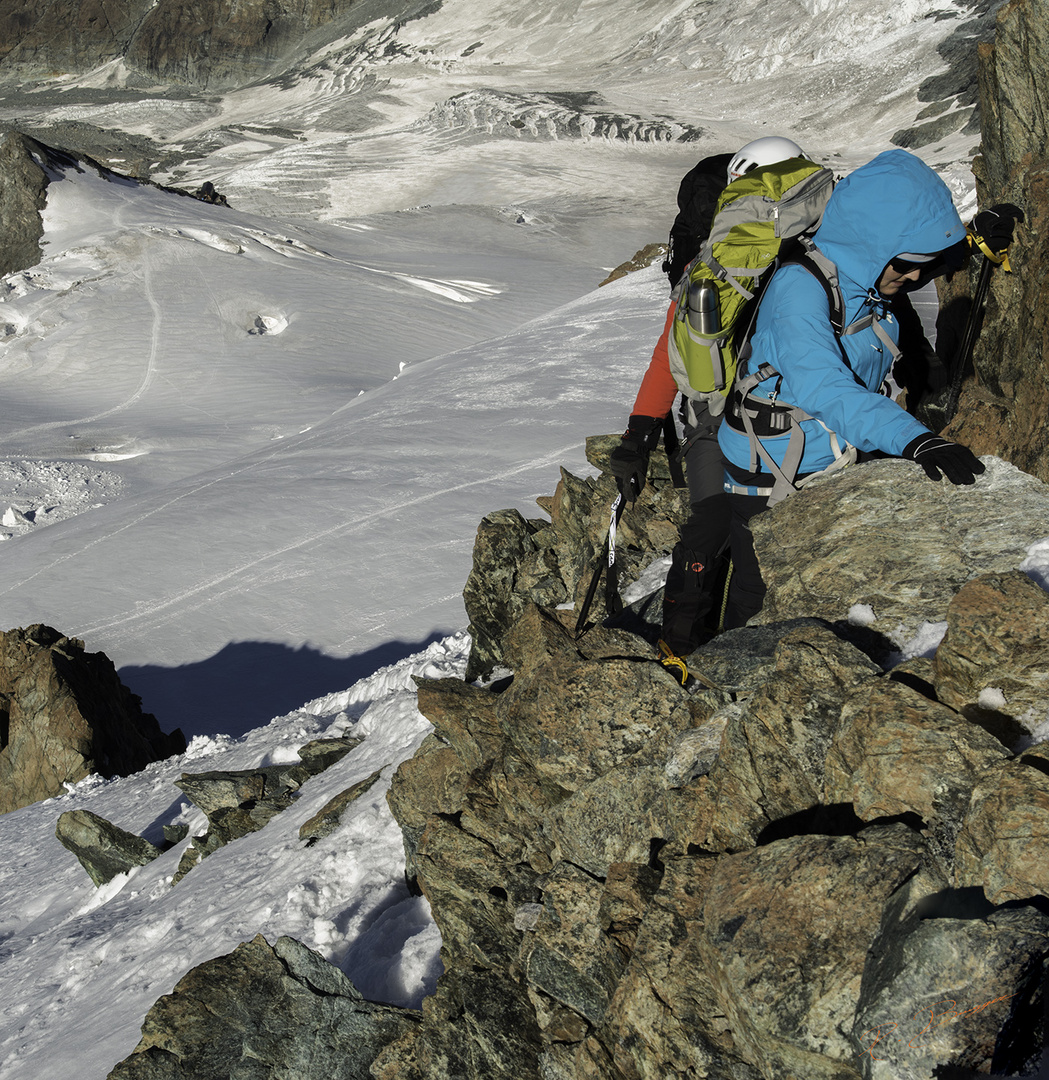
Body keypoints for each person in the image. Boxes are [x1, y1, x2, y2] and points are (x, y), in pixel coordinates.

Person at [717, 148, 986, 629]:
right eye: (905, 264)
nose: (916, 278)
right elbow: (825, 388)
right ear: (869, 244)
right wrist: (914, 438)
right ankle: (732, 675)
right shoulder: (799, 291)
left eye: (923, 265)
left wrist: (978, 237)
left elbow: (933, 254)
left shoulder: (865, 277)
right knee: (760, 590)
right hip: (771, 466)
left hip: (830, 449)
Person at [610, 136, 808, 664]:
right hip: (789, 416)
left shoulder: (721, 262)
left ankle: (681, 646)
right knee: (728, 526)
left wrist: (640, 430)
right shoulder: (804, 250)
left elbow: (670, 352)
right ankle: (715, 648)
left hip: (714, 416)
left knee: (712, 522)